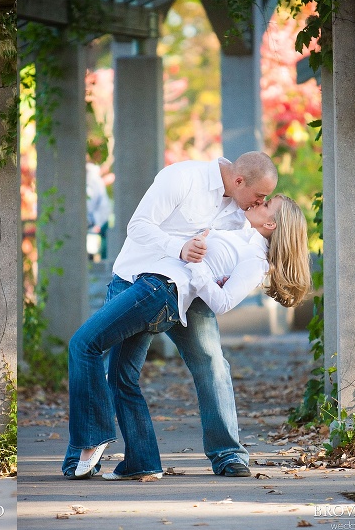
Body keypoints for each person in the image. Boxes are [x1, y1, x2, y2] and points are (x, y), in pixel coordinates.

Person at [63, 151, 279, 479]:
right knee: (117, 372)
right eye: (259, 197)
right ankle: (112, 458)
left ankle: (229, 456)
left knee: (212, 364)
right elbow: (138, 226)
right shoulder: (183, 178)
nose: (259, 203)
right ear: (238, 181)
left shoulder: (241, 208)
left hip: (189, 289)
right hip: (139, 279)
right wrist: (179, 249)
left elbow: (238, 252)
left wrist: (225, 274)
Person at [86, 161, 111, 259]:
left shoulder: (91, 181)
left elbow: (91, 202)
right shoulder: (96, 179)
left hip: (97, 220)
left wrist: (96, 222)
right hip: (100, 219)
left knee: (99, 250)